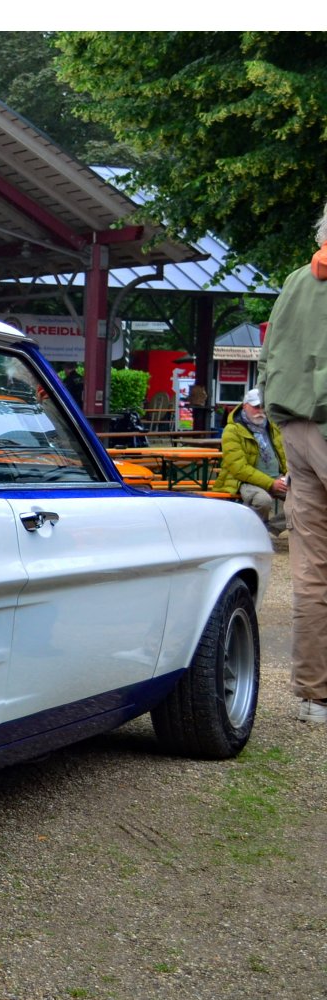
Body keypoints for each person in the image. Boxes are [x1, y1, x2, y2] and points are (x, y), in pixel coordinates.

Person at [260, 198, 327, 726]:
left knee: (311, 569)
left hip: (295, 429)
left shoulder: (297, 279)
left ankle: (312, 694)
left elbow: (270, 357)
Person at [213, 387, 288, 533]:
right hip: (244, 481)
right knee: (263, 501)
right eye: (256, 407)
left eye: (263, 407)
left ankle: (268, 529)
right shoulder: (232, 430)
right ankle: (249, 532)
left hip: (277, 478)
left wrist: (288, 475)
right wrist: (270, 483)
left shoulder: (272, 426)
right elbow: (239, 469)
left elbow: (284, 455)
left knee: (307, 498)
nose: (260, 411)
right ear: (245, 406)